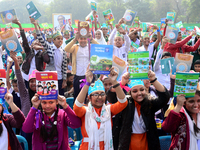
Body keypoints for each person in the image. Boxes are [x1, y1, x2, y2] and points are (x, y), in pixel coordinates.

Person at [73, 66, 128, 150]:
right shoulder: (85, 111)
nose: (99, 97)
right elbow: (77, 106)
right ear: (89, 97)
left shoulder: (109, 110)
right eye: (96, 94)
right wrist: (87, 83)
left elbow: (123, 102)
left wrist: (114, 82)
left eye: (102, 94)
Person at [118, 70, 170, 150]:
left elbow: (165, 98)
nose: (139, 93)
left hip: (148, 141)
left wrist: (153, 80)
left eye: (142, 90)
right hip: (129, 142)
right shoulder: (125, 103)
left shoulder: (150, 103)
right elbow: (111, 97)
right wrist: (122, 83)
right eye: (135, 91)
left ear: (145, 90)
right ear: (130, 93)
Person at [31, 17, 68, 96]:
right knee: (49, 97)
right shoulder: (49, 47)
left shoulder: (63, 52)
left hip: (59, 78)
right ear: (53, 40)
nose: (60, 40)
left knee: (60, 98)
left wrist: (64, 80)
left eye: (61, 39)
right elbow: (41, 38)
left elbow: (64, 67)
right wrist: (36, 26)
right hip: (49, 77)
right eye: (58, 38)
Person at [64, 31, 99, 100]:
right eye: (81, 39)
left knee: (91, 97)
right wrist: (74, 39)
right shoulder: (75, 47)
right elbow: (66, 49)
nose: (83, 40)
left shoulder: (91, 47)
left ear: (87, 39)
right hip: (78, 75)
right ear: (78, 40)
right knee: (78, 96)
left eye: (85, 39)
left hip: (90, 75)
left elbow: (101, 47)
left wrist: (92, 39)